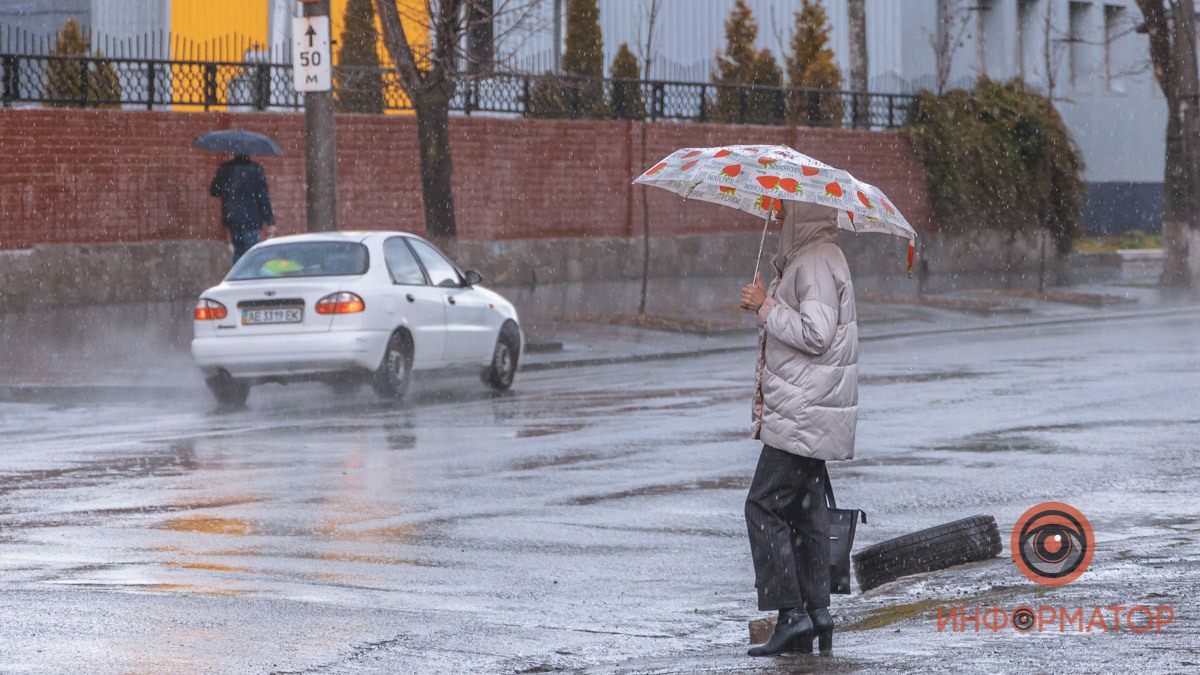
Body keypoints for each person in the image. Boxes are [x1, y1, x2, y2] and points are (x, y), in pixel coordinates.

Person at [738, 201, 858, 657]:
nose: (777, 215)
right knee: (806, 513)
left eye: (785, 209)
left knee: (762, 506)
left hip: (804, 411)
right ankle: (817, 612)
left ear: (802, 215)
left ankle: (792, 616)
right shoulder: (816, 257)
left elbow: (816, 333)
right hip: (809, 407)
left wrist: (765, 306)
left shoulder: (814, 261)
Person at [209, 154, 275, 264]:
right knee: (251, 253)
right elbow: (263, 197)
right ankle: (251, 278)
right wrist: (270, 221)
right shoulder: (256, 170)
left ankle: (238, 278)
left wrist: (226, 188)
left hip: (233, 218)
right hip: (252, 219)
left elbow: (214, 191)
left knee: (238, 252)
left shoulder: (225, 168)